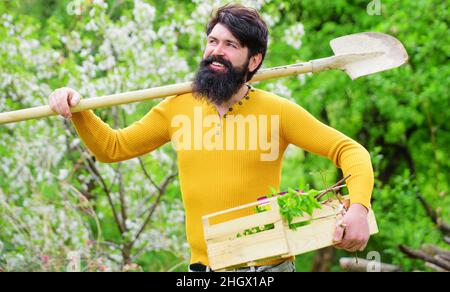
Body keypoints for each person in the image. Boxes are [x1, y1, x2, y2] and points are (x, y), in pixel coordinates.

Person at [49, 4, 373, 272]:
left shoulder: (278, 112)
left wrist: (358, 207)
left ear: (254, 60)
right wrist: (79, 110)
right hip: (203, 272)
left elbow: (349, 150)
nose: (216, 52)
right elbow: (112, 148)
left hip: (267, 268)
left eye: (231, 45)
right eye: (213, 42)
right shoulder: (177, 107)